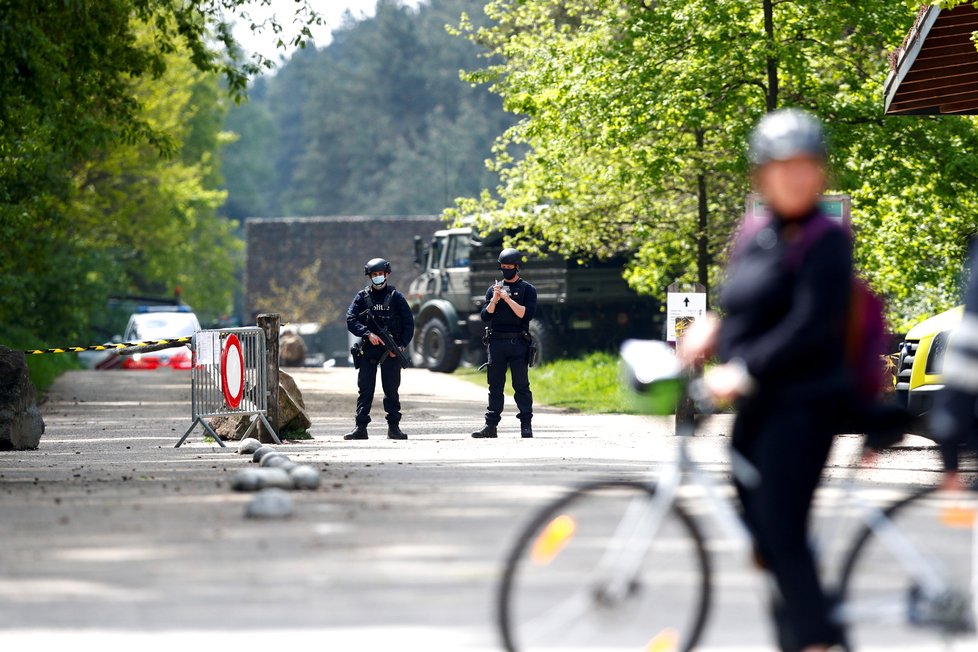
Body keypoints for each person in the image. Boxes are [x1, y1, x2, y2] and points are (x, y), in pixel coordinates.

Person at [680, 109, 851, 652]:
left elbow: (810, 324)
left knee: (782, 536)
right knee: (765, 540)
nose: (795, 177)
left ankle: (818, 641)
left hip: (805, 406)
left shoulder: (827, 241)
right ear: (762, 175)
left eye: (806, 166)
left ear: (820, 174)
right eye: (783, 167)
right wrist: (713, 331)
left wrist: (745, 368)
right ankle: (802, 633)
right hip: (761, 412)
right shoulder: (756, 237)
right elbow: (752, 314)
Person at [343, 258, 414, 441]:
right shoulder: (362, 297)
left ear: (387, 275)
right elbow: (351, 319)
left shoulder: (396, 297)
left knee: (391, 390)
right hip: (369, 349)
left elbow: (409, 323)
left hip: (391, 351)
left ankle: (394, 428)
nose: (377, 278)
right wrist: (367, 334)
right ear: (370, 276)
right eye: (374, 275)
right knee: (365, 390)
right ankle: (360, 428)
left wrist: (400, 346)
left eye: (380, 274)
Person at [471, 248, 538, 439]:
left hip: (518, 342)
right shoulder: (493, 289)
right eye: (503, 267)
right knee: (495, 386)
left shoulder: (528, 290)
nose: (506, 270)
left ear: (517, 267)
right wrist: (494, 300)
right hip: (496, 343)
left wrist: (507, 299)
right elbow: (485, 316)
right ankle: (490, 426)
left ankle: (526, 424)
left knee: (521, 385)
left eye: (509, 267)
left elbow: (525, 314)